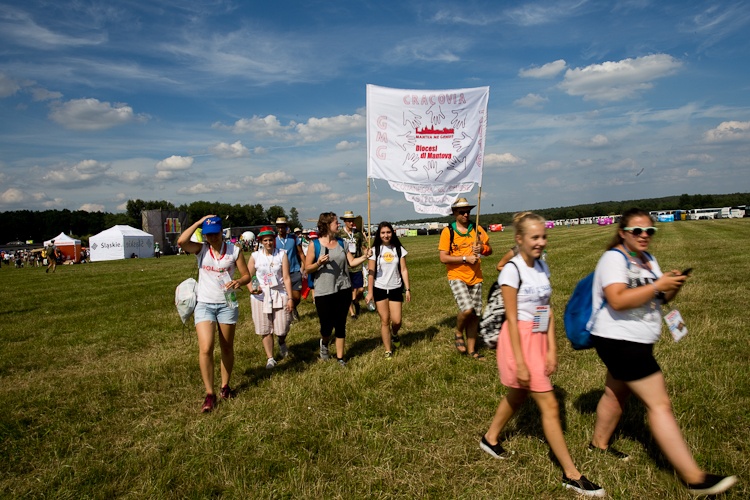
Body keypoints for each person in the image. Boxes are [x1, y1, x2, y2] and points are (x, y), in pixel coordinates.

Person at [587, 208, 736, 496]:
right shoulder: (613, 259)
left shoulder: (647, 259)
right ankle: (694, 478)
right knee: (659, 405)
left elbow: (660, 297)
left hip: (636, 338)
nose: (644, 235)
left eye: (649, 231)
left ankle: (598, 444)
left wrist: (671, 286)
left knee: (616, 392)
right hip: (620, 340)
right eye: (637, 231)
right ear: (623, 233)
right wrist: (657, 284)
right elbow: (617, 300)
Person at [480, 212, 605, 497]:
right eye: (534, 237)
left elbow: (545, 309)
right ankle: (571, 474)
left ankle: (490, 438)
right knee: (549, 405)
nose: (540, 242)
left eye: (543, 236)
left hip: (537, 338)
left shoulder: (541, 265)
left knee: (518, 394)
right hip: (518, 342)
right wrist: (521, 361)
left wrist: (551, 348)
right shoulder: (511, 270)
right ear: (519, 239)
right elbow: (512, 319)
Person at [177, 215, 251, 413]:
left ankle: (225, 387)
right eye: (208, 235)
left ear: (221, 232)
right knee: (206, 347)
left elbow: (246, 275)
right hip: (205, 304)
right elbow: (181, 242)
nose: (212, 238)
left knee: (226, 347)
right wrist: (199, 222)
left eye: (215, 233)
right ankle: (209, 394)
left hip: (227, 304)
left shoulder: (234, 251)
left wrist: (238, 282)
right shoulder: (201, 249)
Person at [305, 212, 371, 366]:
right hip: (323, 290)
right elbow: (307, 269)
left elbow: (351, 262)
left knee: (341, 324)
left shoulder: (342, 243)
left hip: (343, 288)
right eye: (336, 222)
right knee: (326, 326)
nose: (339, 224)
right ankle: (324, 343)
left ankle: (340, 358)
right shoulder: (315, 245)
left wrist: (365, 257)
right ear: (327, 225)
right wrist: (318, 264)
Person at [438, 197, 492, 360]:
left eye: (468, 211)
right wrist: (464, 259)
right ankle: (458, 332)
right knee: (467, 309)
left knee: (475, 315)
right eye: (462, 212)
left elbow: (489, 250)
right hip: (457, 275)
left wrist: (482, 248)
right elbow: (443, 257)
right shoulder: (448, 231)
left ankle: (472, 351)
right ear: (455, 213)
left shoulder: (477, 229)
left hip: (476, 277)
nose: (466, 214)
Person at [247, 226, 294, 369]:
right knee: (265, 328)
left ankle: (281, 341)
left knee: (282, 327)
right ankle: (270, 358)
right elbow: (248, 276)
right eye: (265, 240)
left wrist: (290, 298)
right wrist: (252, 289)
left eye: (271, 240)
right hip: (261, 296)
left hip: (279, 292)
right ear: (261, 241)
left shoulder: (281, 254)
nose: (268, 243)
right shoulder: (255, 256)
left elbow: (286, 277)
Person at [367, 222, 411, 358]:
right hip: (379, 288)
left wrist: (407, 289)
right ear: (379, 234)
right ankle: (388, 350)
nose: (386, 235)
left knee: (397, 321)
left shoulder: (398, 249)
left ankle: (394, 334)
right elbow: (371, 273)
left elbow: (404, 270)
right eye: (383, 233)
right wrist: (370, 292)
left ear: (392, 233)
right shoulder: (374, 250)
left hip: (395, 287)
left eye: (388, 232)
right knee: (385, 320)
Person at [275, 217, 306, 322]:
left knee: (296, 297)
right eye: (278, 227)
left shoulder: (293, 238)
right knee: (285, 296)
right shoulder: (274, 240)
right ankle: (288, 316)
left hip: (295, 270)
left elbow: (301, 253)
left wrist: (306, 266)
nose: (280, 229)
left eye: (282, 227)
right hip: (281, 272)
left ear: (286, 227)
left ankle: (293, 307)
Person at [339, 211, 367, 318]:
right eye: (349, 221)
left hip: (357, 264)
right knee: (348, 290)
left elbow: (364, 246)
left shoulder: (358, 233)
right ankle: (352, 313)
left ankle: (355, 301)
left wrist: (367, 253)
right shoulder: (339, 234)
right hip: (344, 266)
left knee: (360, 289)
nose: (351, 223)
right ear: (345, 222)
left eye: (352, 221)